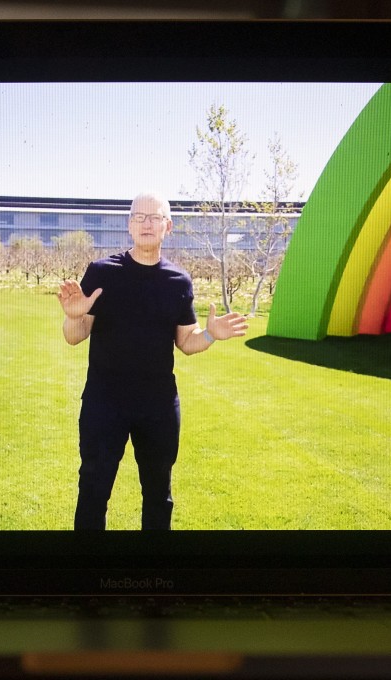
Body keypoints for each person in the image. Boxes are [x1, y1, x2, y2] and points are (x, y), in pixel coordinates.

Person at [57, 191, 249, 530]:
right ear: (130, 224)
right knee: (93, 490)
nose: (147, 223)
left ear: (168, 226)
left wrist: (210, 334)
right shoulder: (102, 272)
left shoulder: (178, 281)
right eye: (139, 217)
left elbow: (186, 342)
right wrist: (74, 316)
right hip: (105, 403)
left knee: (159, 494)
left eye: (154, 217)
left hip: (158, 406)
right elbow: (75, 336)